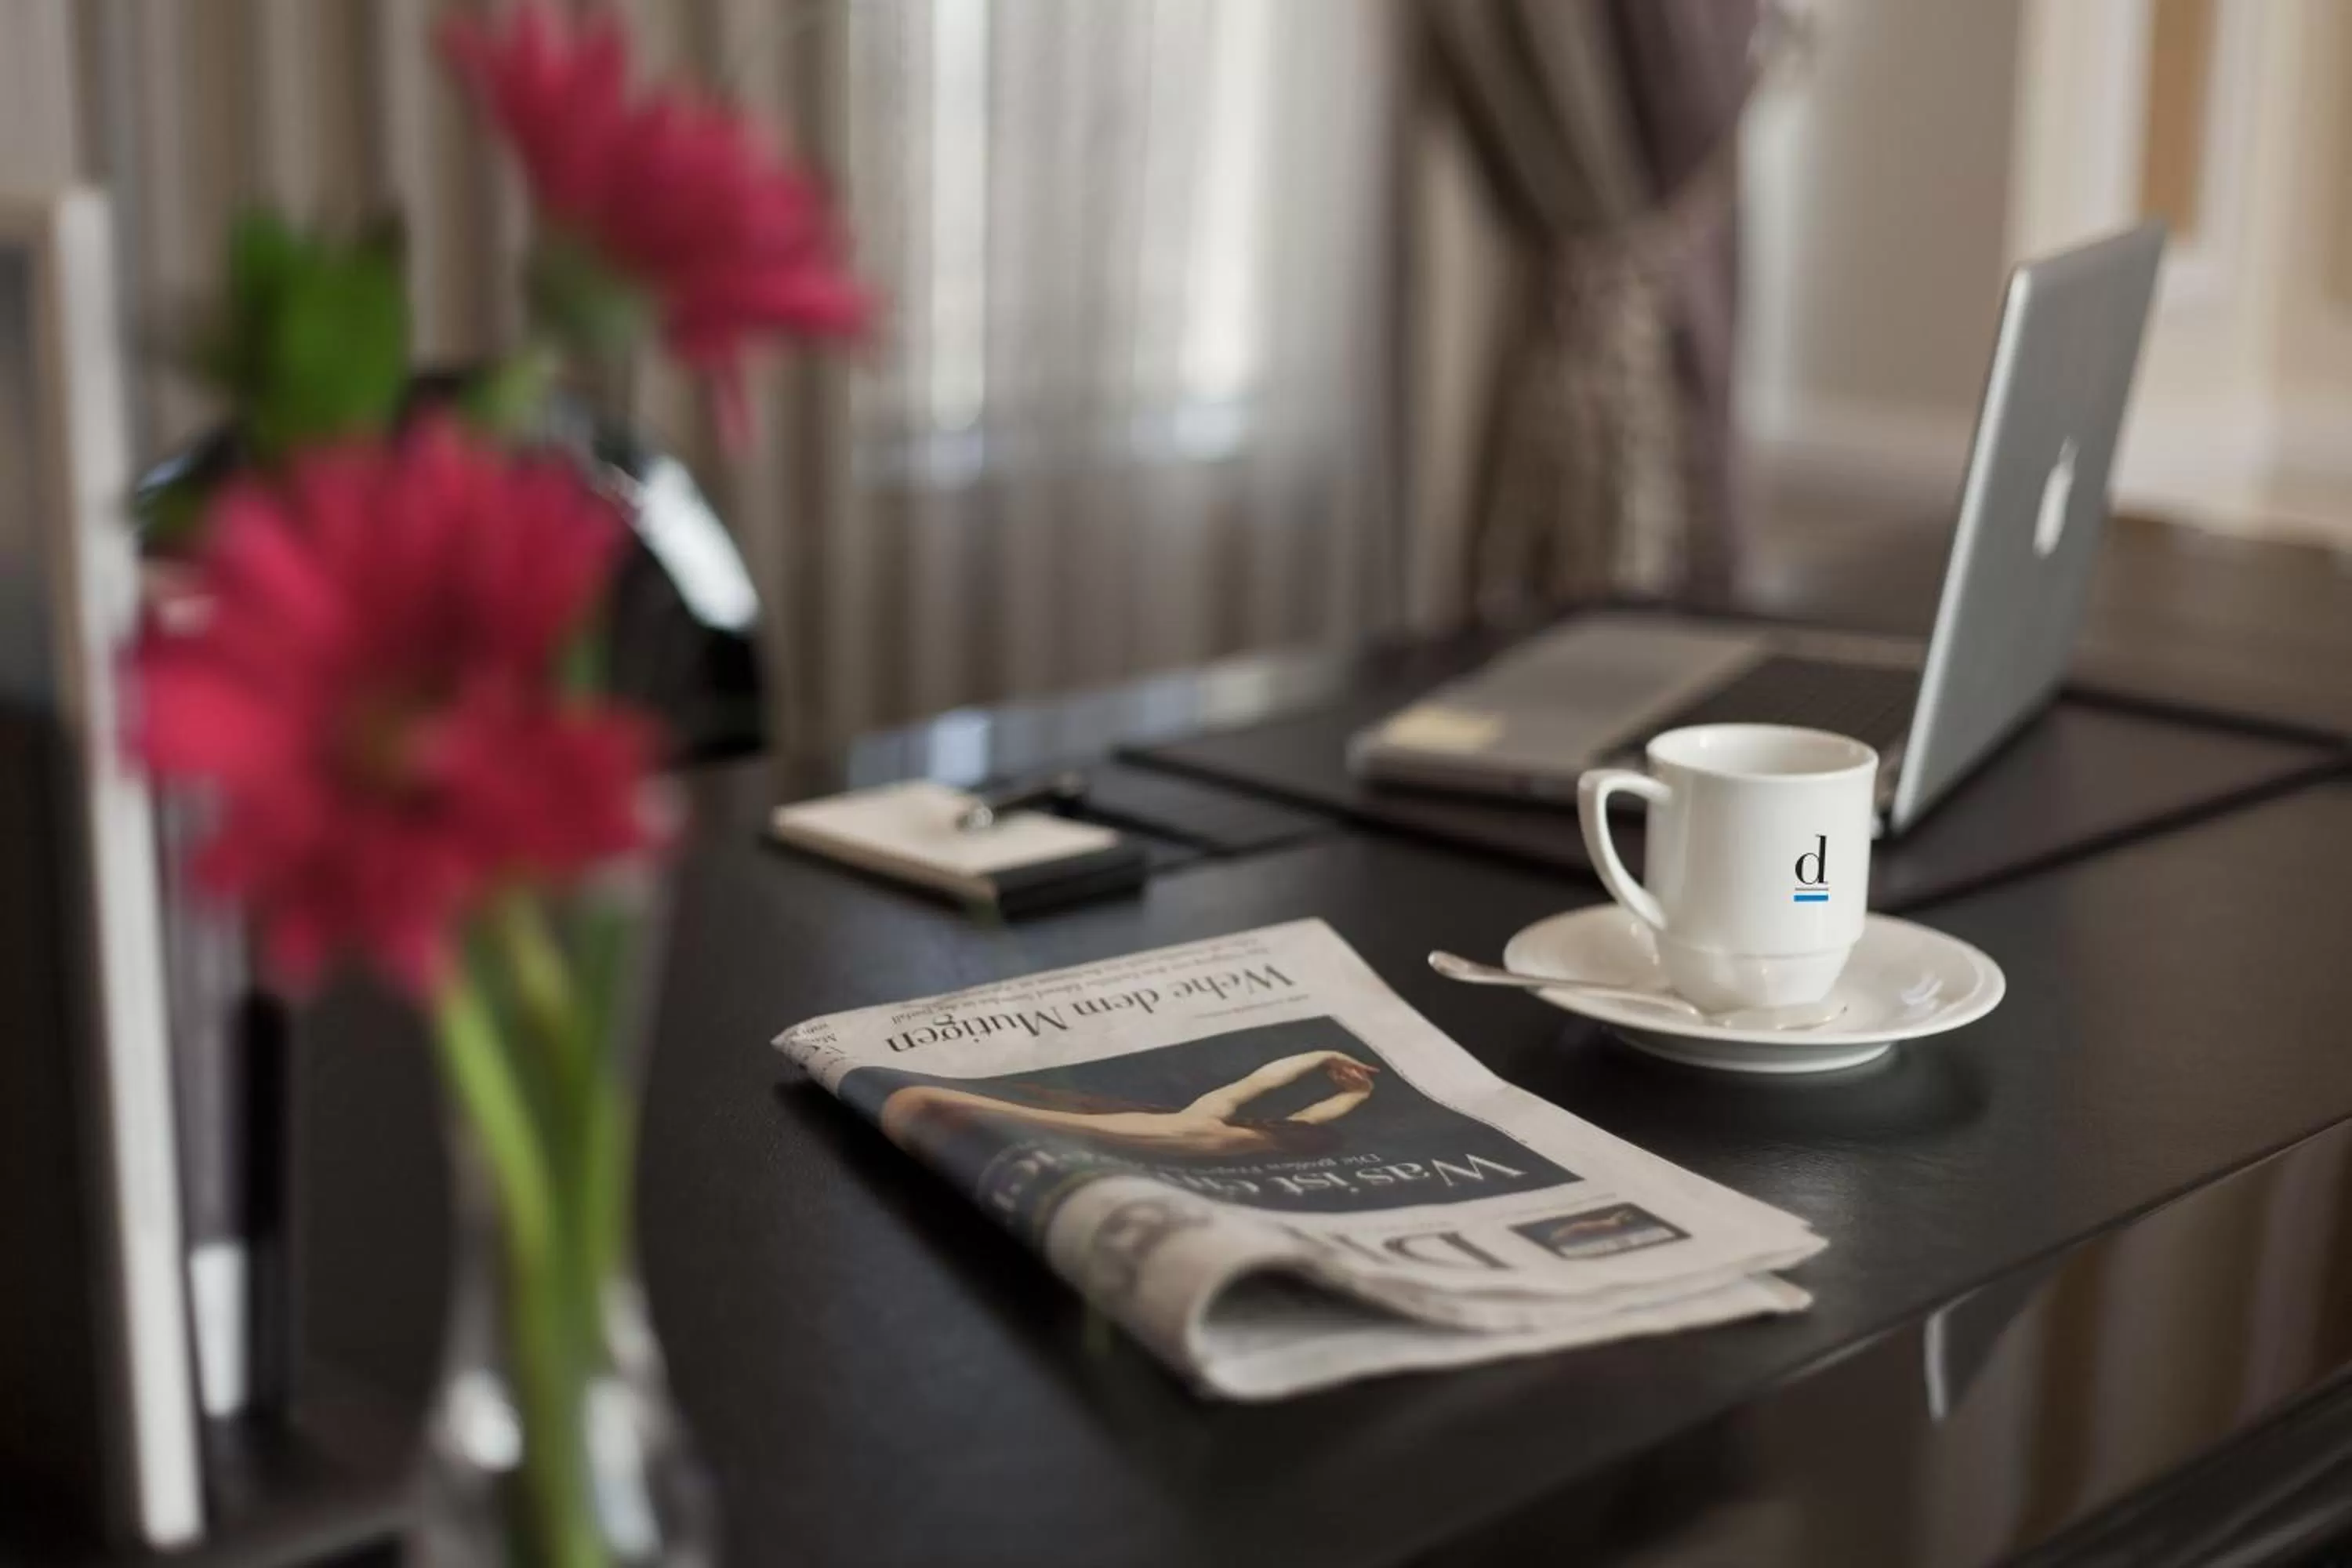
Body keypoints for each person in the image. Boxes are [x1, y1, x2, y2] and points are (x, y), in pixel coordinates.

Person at [876, 1049, 1381, 1159]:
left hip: (1168, 1137)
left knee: (1034, 1120)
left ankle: (943, 1102)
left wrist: (1337, 1074)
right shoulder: (1228, 1127)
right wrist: (1338, 1075)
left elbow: (1260, 1082)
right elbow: (1260, 1081)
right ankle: (942, 1101)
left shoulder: (1215, 1129)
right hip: (1170, 1134)